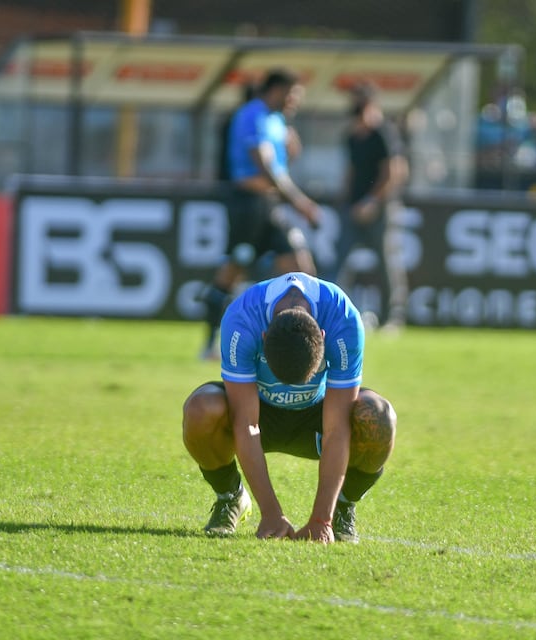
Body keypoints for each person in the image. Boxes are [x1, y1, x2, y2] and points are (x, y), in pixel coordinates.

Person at [182, 272, 396, 543]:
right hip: (258, 409)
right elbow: (246, 424)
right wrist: (271, 513)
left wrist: (322, 519)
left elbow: (337, 428)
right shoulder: (241, 318)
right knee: (201, 409)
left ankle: (343, 506)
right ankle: (230, 497)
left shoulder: (343, 318)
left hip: (318, 412)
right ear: (263, 336)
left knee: (378, 416)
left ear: (322, 335)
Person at [199, 69, 321, 359]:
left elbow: (277, 165)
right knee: (233, 271)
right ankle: (210, 344)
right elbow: (265, 166)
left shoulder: (276, 120)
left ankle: (303, 345)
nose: (295, 102)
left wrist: (291, 152)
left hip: (270, 206)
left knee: (301, 270)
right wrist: (300, 202)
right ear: (277, 90)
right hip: (248, 206)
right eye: (292, 95)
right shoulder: (252, 115)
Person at [337, 84, 410, 330]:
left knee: (386, 261)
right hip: (353, 207)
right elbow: (351, 170)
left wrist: (372, 201)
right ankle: (333, 315)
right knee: (339, 260)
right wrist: (348, 201)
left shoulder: (383, 132)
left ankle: (393, 318)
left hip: (378, 209)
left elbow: (394, 171)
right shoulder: (352, 134)